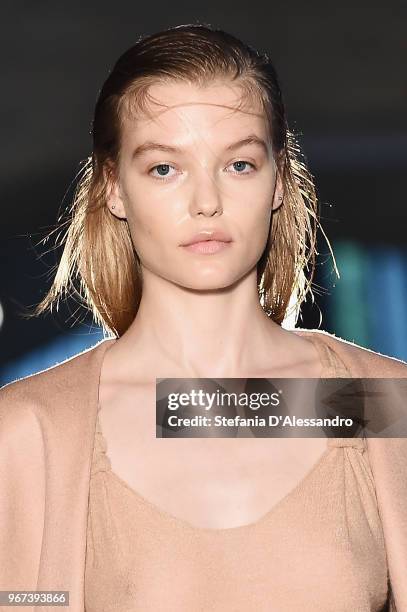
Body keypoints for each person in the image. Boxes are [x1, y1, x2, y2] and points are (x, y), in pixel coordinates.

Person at [1, 23, 406, 612]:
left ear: (278, 182)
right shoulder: (32, 433)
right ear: (114, 189)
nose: (206, 202)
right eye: (165, 168)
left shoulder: (377, 405)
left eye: (238, 164)